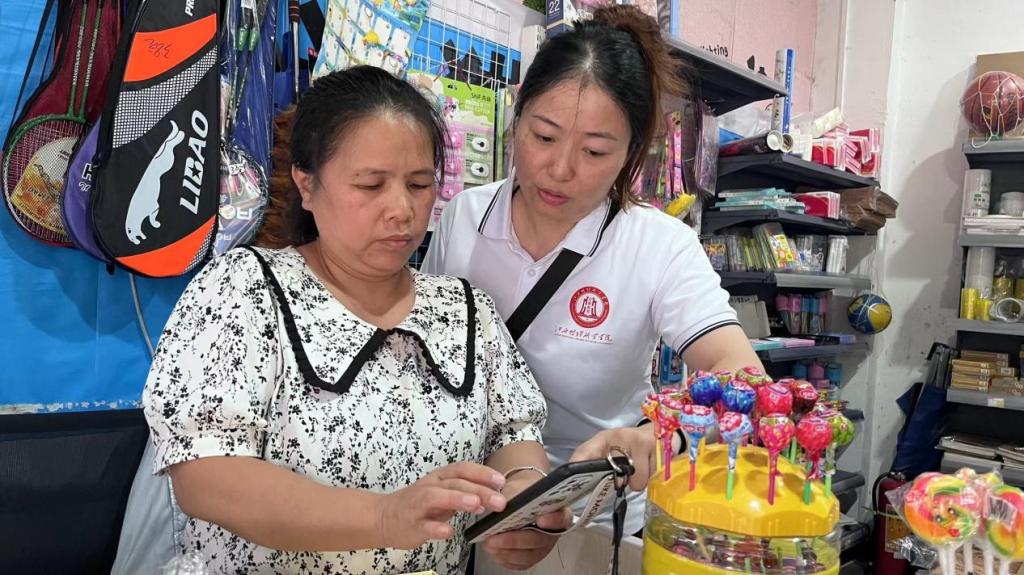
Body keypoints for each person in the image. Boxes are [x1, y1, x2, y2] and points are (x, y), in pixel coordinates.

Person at [140, 66, 565, 575]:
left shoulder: (466, 309)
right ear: (307, 185)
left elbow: (513, 435)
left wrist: (524, 500)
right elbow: (206, 475)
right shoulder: (244, 289)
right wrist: (384, 517)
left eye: (419, 184)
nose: (401, 210)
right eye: (370, 184)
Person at [422, 4, 763, 546]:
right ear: (517, 115)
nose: (561, 169)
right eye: (543, 137)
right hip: (475, 506)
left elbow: (742, 375)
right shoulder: (464, 217)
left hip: (595, 518)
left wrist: (663, 435)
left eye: (595, 151)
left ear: (632, 153)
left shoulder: (658, 245)